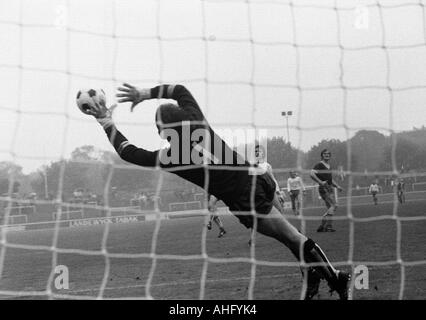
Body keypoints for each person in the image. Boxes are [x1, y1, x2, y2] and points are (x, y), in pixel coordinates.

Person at [79, 82, 350, 300]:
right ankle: (312, 275)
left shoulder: (175, 157)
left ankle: (337, 279)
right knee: (290, 238)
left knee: (292, 237)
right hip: (259, 176)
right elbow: (180, 90)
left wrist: (106, 122)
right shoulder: (198, 121)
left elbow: (131, 153)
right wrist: (144, 93)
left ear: (164, 131)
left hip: (245, 197)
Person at [310, 149, 343, 232]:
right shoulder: (319, 165)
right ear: (322, 155)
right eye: (325, 154)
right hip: (324, 189)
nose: (327, 155)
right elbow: (311, 174)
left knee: (330, 208)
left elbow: (330, 180)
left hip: (329, 188)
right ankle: (328, 226)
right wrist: (320, 182)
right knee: (334, 205)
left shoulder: (329, 166)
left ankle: (322, 226)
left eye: (328, 154)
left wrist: (337, 186)